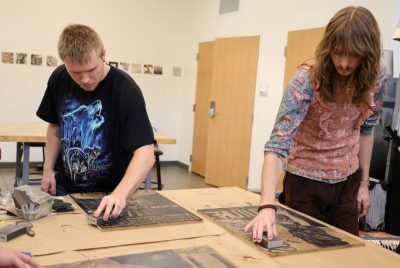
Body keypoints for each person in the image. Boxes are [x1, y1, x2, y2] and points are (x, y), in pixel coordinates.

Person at [245, 6, 390, 242]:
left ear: (368, 53)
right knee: (302, 254)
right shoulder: (306, 79)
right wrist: (266, 206)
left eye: (353, 54)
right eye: (337, 52)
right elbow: (277, 145)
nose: (344, 63)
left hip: (347, 181)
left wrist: (364, 185)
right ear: (328, 47)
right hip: (304, 183)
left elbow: (367, 129)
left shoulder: (378, 74)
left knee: (345, 253)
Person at [36, 24, 155, 221]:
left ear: (103, 54)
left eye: (92, 70)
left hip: (110, 194)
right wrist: (48, 169)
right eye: (75, 72)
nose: (85, 80)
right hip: (65, 189)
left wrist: (120, 194)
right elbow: (55, 125)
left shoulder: (125, 89)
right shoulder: (59, 78)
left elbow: (145, 152)